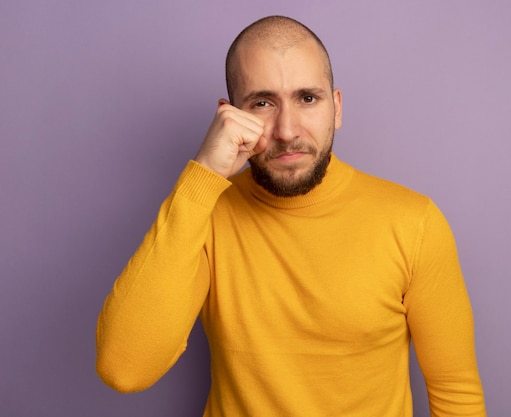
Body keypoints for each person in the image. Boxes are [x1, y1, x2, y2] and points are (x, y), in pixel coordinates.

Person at [96, 15, 486, 417]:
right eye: (262, 102)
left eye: (307, 98)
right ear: (228, 115)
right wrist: (202, 177)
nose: (286, 130)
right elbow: (124, 368)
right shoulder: (204, 215)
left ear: (336, 108)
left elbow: (455, 391)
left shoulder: (413, 222)